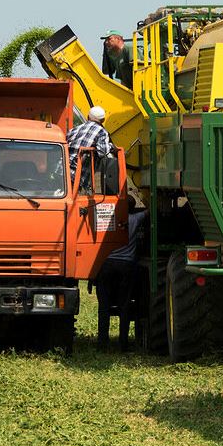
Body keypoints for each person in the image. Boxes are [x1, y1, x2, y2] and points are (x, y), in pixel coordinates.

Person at [91, 205, 147, 350]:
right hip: (126, 265)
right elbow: (149, 212)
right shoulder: (134, 219)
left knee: (104, 307)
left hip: (107, 264)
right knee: (124, 306)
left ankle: (102, 343)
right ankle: (123, 343)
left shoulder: (108, 220)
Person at [66, 105, 114, 171]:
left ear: (88, 117)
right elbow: (103, 152)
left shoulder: (74, 129)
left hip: (62, 172)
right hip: (77, 176)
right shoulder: (101, 132)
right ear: (103, 120)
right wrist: (112, 147)